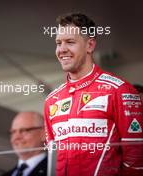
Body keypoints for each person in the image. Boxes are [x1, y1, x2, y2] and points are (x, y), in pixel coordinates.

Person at [44, 13, 143, 175]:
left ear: (90, 45)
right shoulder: (51, 100)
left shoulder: (120, 90)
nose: (62, 49)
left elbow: (136, 159)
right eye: (58, 43)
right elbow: (52, 159)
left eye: (70, 42)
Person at [2, 111, 47, 176]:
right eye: (13, 132)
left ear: (43, 134)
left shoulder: (56, 172)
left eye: (23, 130)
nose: (16, 137)